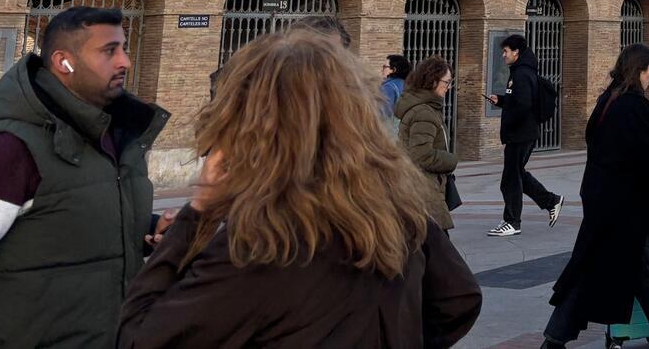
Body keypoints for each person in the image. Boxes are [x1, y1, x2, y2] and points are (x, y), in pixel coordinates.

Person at [118, 27, 482, 347]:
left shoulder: (258, 245)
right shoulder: (398, 210)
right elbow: (459, 299)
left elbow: (141, 337)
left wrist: (196, 215)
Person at [0, 7, 168, 349]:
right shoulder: (7, 148)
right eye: (109, 50)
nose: (125, 62)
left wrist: (149, 226)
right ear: (63, 62)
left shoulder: (108, 138)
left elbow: (67, 215)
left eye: (124, 48)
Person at [539, 44, 649, 349]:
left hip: (605, 198)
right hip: (620, 203)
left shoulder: (609, 99)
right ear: (638, 70)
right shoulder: (630, 105)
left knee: (626, 266)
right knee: (611, 267)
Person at [486, 34, 562, 238]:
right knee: (516, 175)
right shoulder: (521, 72)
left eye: (506, 51)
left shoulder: (521, 74)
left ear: (516, 52)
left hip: (520, 134)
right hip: (523, 133)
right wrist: (501, 100)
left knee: (510, 179)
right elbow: (517, 101)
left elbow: (523, 105)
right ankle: (551, 201)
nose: (503, 55)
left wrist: (509, 124)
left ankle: (513, 222)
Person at [396, 57, 459, 225]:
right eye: (446, 82)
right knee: (439, 244)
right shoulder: (424, 112)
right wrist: (451, 160)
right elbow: (421, 154)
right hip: (424, 188)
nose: (448, 87)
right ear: (432, 81)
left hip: (421, 186)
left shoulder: (427, 108)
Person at [380, 53, 410, 118]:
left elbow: (383, 114)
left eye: (384, 67)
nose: (382, 70)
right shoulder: (408, 85)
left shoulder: (388, 87)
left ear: (393, 70)